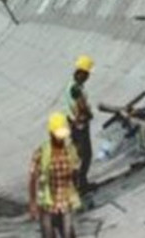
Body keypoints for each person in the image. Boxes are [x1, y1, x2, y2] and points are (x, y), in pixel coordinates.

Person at [28, 113, 81, 238]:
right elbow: (32, 178)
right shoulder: (42, 152)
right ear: (51, 134)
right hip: (47, 204)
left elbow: (76, 172)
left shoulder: (70, 150)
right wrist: (33, 203)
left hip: (65, 202)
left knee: (68, 234)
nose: (61, 139)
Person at [65, 55, 94, 191]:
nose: (87, 77)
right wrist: (89, 114)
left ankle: (74, 182)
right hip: (80, 125)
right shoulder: (75, 88)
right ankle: (81, 184)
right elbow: (81, 105)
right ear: (79, 73)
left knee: (78, 154)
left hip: (73, 124)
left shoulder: (72, 86)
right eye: (85, 74)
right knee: (86, 154)